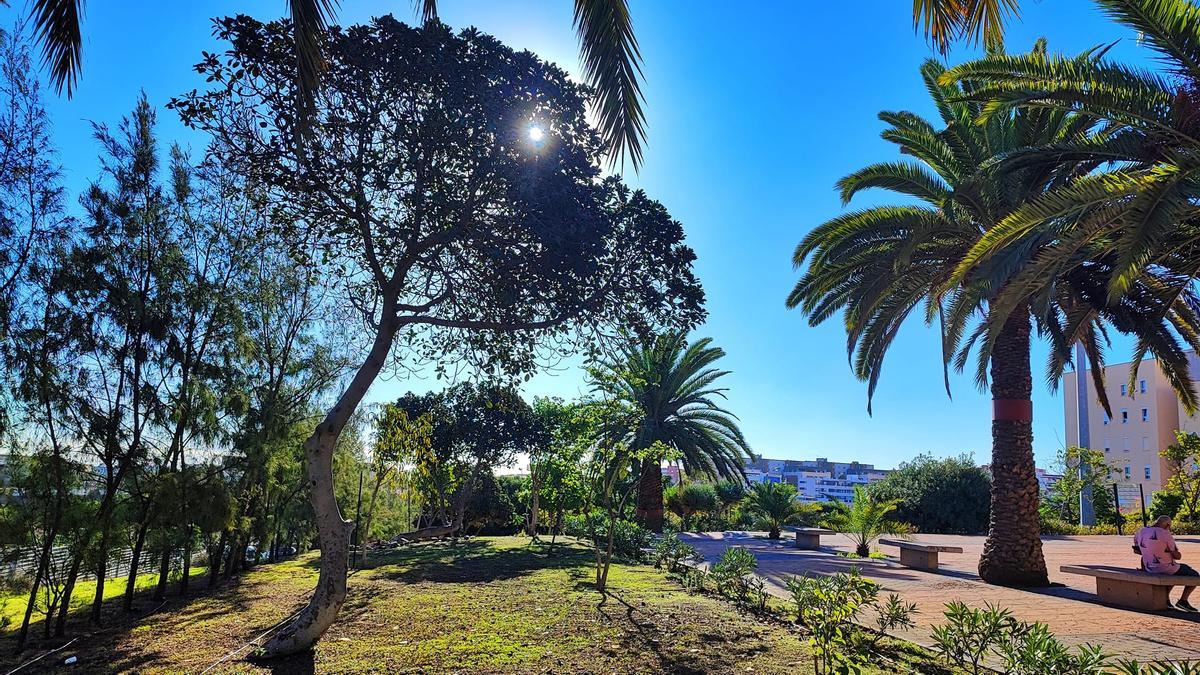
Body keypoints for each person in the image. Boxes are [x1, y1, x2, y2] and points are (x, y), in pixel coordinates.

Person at [1133, 515, 1198, 611]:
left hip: (1149, 567)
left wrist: (1151, 551)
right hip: (1165, 567)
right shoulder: (1165, 534)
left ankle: (1166, 599)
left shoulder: (1140, 531)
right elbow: (1177, 556)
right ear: (1167, 525)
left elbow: (1136, 550)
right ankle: (1183, 601)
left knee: (1174, 573)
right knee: (1195, 575)